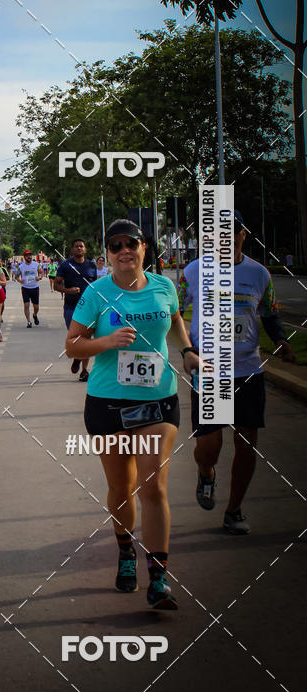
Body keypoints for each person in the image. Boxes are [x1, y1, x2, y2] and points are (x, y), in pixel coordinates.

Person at [66, 219, 200, 609]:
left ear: (145, 248)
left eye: (132, 243)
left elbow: (174, 320)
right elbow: (72, 345)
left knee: (153, 484)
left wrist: (187, 350)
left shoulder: (164, 287)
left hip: (158, 399)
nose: (125, 250)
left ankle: (158, 578)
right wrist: (105, 342)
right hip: (108, 402)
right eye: (116, 245)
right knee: (121, 487)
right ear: (106, 253)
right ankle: (126, 550)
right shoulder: (97, 292)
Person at [178, 210, 295, 534]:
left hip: (247, 370)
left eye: (233, 232)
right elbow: (173, 312)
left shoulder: (260, 274)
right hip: (210, 371)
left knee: (246, 443)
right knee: (209, 448)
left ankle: (234, 510)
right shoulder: (194, 270)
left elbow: (269, 314)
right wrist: (187, 349)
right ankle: (207, 474)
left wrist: (282, 340)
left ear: (244, 234)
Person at [54, 239, 97, 382]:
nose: (79, 248)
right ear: (72, 250)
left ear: (85, 249)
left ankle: (84, 370)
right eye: (76, 246)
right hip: (71, 307)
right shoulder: (66, 265)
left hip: (89, 308)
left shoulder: (91, 265)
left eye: (81, 246)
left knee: (86, 338)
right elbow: (56, 285)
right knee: (76, 338)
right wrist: (68, 290)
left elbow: (95, 286)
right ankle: (78, 357)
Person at [16, 250, 43, 327]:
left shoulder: (36, 264)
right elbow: (16, 276)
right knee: (26, 305)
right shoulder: (21, 267)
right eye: (27, 255)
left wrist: (39, 277)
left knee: (36, 307)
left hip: (35, 288)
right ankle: (28, 322)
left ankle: (34, 315)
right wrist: (20, 280)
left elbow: (41, 272)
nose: (29, 257)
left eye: (30, 255)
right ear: (24, 257)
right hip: (25, 288)